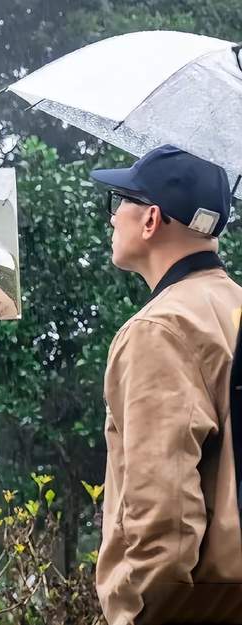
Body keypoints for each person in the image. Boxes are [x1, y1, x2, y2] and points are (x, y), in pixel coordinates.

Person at [90, 144, 242, 625]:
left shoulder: (161, 329)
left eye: (120, 202)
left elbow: (165, 515)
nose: (113, 217)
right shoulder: (233, 308)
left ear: (151, 219)